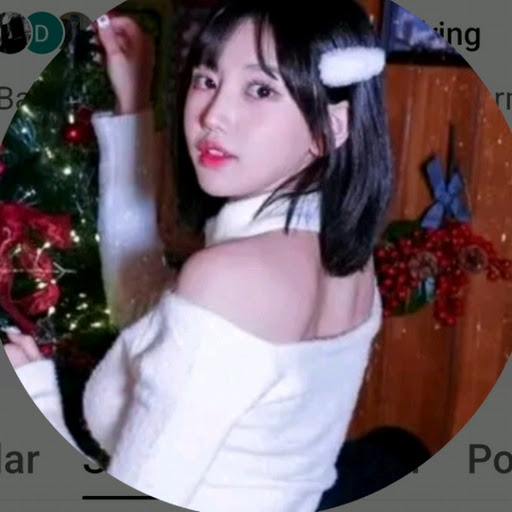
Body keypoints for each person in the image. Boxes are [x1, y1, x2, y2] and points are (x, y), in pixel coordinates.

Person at [4, 1, 393, 510]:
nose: (212, 116)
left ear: (331, 127)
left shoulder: (235, 277)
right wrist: (134, 103)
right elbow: (143, 307)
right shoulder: (344, 256)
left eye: (261, 90)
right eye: (208, 80)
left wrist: (34, 402)